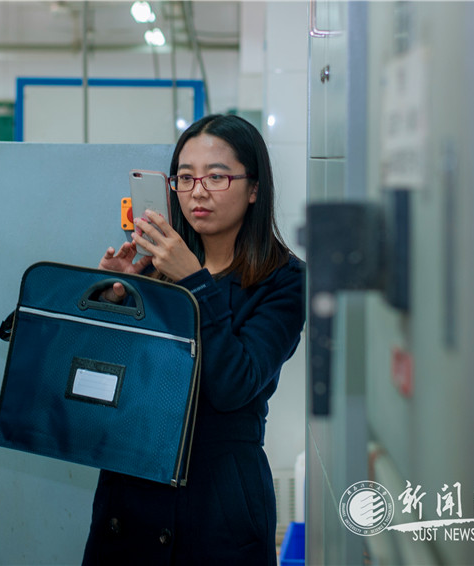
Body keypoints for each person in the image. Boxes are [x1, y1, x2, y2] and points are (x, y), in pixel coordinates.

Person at [82, 114, 306, 565]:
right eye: (185, 178)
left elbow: (233, 385)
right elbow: (103, 380)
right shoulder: (153, 268)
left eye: (217, 177)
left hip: (217, 499)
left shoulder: (284, 280)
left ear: (254, 188)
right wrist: (113, 300)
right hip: (133, 486)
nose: (197, 191)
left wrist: (195, 282)